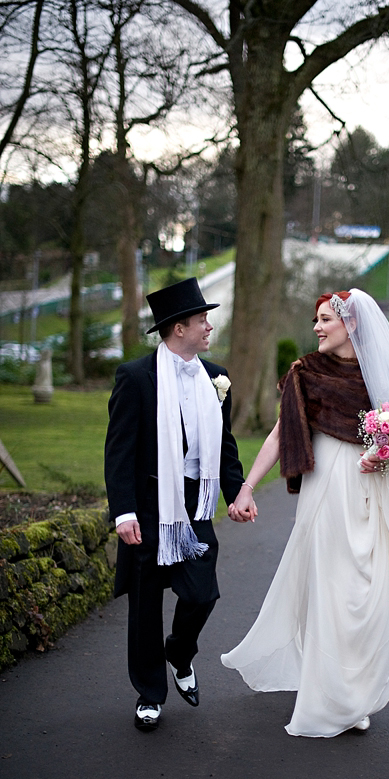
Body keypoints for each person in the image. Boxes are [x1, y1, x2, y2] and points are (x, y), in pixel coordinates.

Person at [222, 288, 389, 738]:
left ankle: (358, 692)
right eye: (316, 320)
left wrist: (387, 455)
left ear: (350, 324)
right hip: (327, 494)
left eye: (325, 319)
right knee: (331, 591)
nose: (317, 327)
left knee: (371, 594)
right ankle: (328, 696)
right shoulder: (306, 372)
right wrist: (246, 488)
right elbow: (281, 435)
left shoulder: (380, 373)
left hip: (375, 493)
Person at [105, 278, 247, 732]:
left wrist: (238, 492)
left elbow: (224, 445)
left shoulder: (215, 378)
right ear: (178, 328)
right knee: (146, 604)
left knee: (201, 593)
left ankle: (180, 655)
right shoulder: (135, 377)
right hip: (150, 504)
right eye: (202, 319)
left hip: (196, 504)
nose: (208, 326)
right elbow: (119, 451)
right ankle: (149, 693)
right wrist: (123, 511)